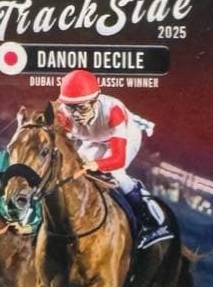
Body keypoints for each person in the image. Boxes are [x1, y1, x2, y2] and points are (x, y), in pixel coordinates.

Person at [55, 69, 171, 249]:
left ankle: (151, 222)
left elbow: (117, 159)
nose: (76, 115)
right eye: (71, 107)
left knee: (115, 172)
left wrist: (97, 164)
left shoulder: (113, 111)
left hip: (125, 138)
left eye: (82, 107)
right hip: (93, 138)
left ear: (95, 100)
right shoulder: (62, 114)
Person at [0, 149, 42, 233]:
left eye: (5, 175)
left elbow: (42, 219)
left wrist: (25, 229)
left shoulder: (31, 186)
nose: (2, 180)